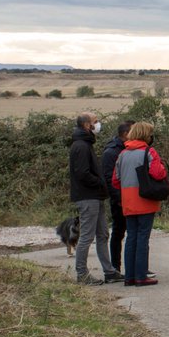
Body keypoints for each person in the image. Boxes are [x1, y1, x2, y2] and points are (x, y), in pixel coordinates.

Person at [68, 112, 123, 285]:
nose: (98, 125)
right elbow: (82, 173)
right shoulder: (81, 146)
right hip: (88, 196)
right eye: (95, 122)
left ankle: (109, 271)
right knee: (87, 236)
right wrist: (100, 183)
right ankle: (82, 274)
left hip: (95, 195)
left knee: (103, 234)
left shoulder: (85, 143)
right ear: (86, 125)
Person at [112, 121, 168, 287]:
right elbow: (158, 174)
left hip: (128, 201)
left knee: (131, 238)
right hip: (145, 200)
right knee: (143, 238)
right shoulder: (149, 152)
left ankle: (129, 276)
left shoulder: (122, 154)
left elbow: (116, 181)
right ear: (146, 135)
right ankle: (141, 276)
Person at [100, 120, 132, 274]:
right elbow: (109, 179)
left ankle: (135, 267)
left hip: (132, 198)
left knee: (133, 233)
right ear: (125, 134)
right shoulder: (111, 152)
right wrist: (119, 199)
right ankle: (115, 268)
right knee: (118, 232)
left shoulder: (130, 148)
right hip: (120, 199)